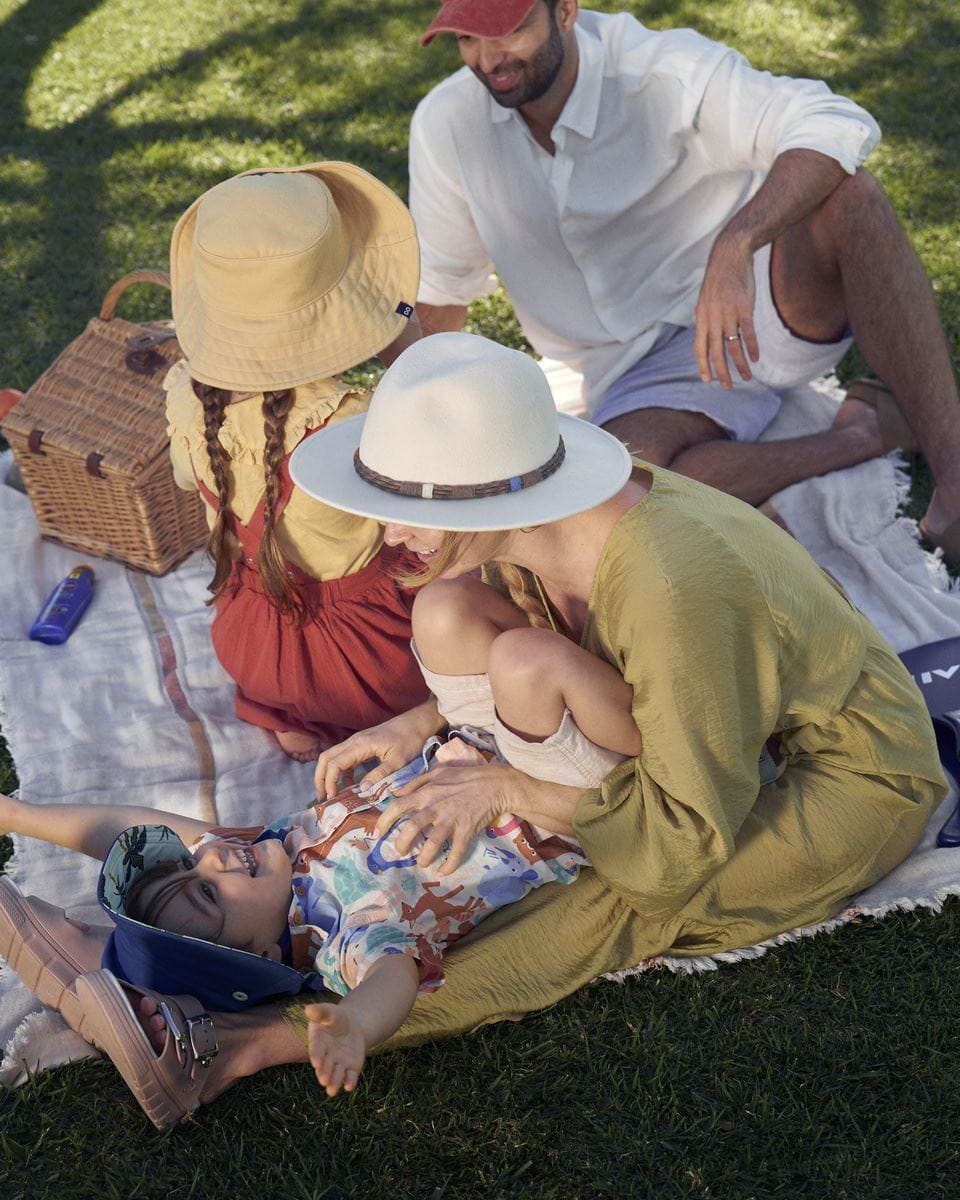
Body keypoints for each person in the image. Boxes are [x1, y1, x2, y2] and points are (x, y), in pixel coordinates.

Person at [3, 334, 946, 1133]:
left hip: (834, 781)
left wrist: (511, 791)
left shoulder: (667, 586)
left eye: (408, 516)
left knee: (604, 909)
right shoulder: (539, 527)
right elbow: (497, 667)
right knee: (451, 610)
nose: (384, 541)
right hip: (657, 735)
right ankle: (148, 977)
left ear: (488, 494)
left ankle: (255, 1043)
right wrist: (419, 720)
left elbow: (684, 835)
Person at [1, 617, 638, 1121]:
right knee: (528, 663)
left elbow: (134, 827)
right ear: (258, 949)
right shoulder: (347, 930)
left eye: (193, 862)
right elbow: (392, 978)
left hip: (481, 738)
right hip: (557, 794)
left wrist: (18, 815)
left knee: (445, 612)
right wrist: (355, 1024)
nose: (213, 854)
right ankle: (681, 762)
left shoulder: (281, 854)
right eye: (207, 893)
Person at [409, 0, 960, 567]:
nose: (489, 58)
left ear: (566, 11)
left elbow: (835, 122)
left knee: (853, 195)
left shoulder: (662, 70)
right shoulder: (447, 123)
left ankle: (955, 483)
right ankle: (868, 433)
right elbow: (442, 286)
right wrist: (416, 404)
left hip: (760, 310)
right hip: (627, 369)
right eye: (467, 39)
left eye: (510, 30)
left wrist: (737, 243)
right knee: (627, 496)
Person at [164, 161, 429, 761]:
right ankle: (363, 725)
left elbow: (186, 477)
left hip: (255, 646)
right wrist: (401, 335)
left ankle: (286, 716)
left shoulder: (187, 398)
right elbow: (446, 427)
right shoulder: (351, 421)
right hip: (367, 664)